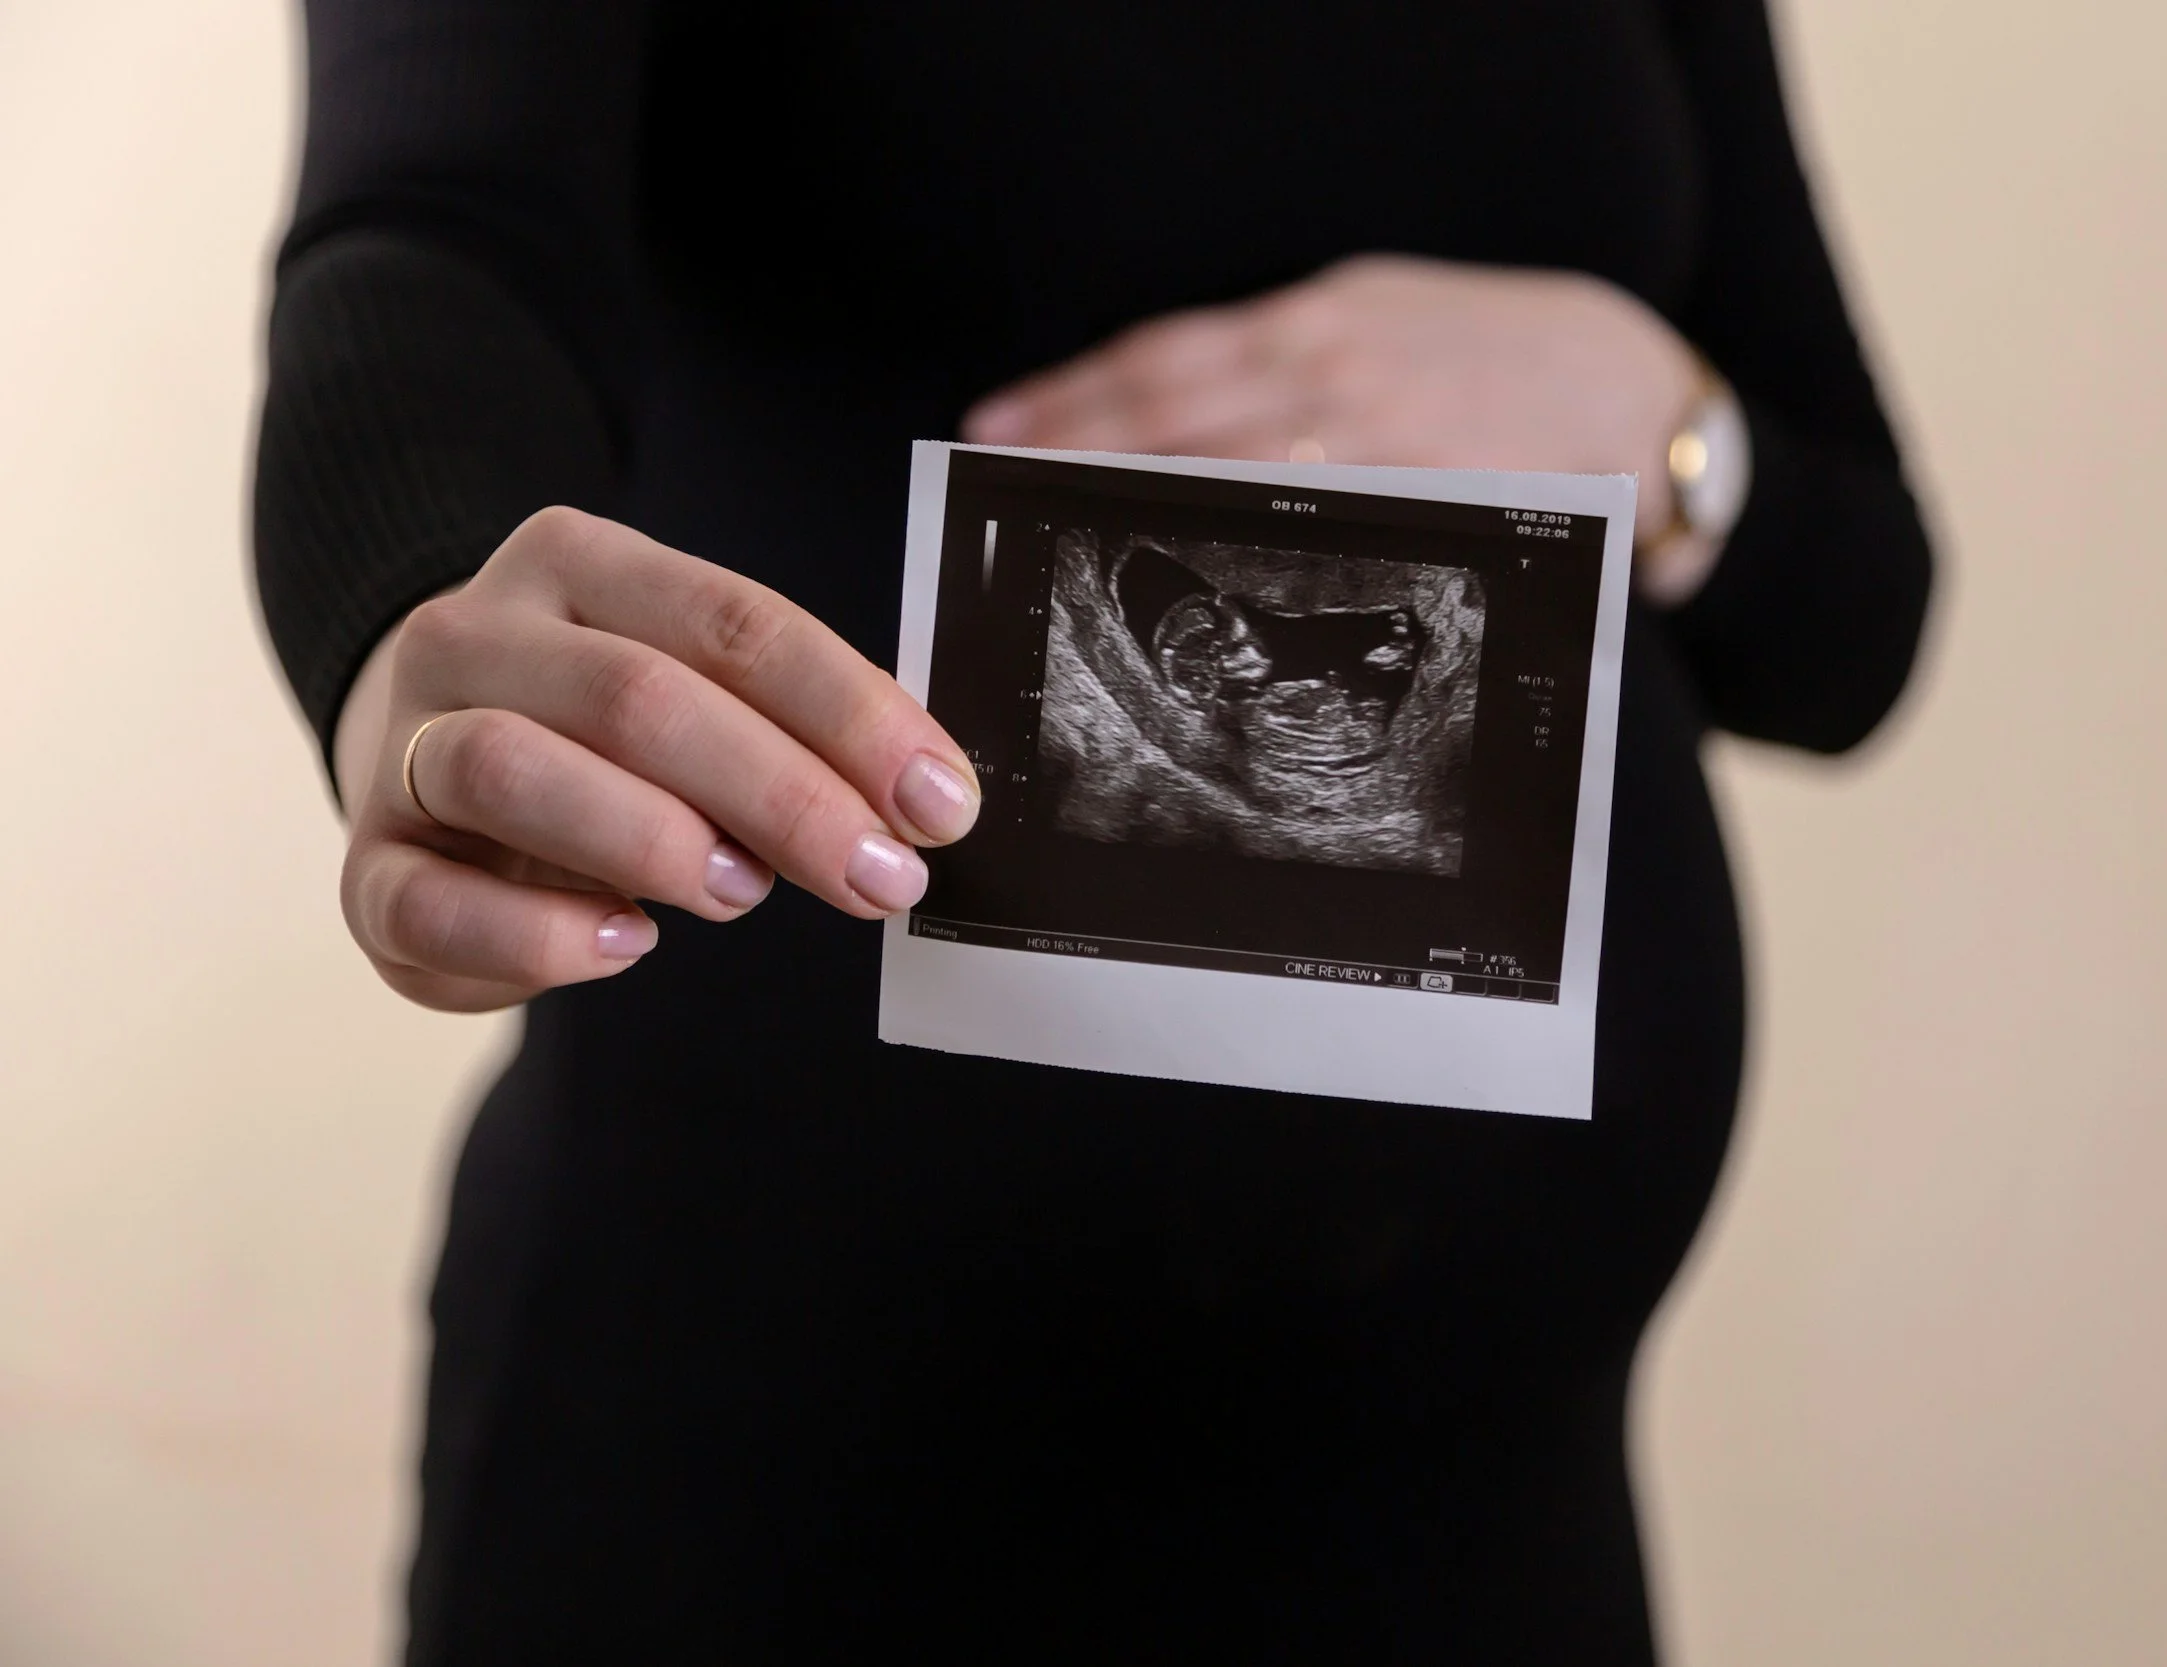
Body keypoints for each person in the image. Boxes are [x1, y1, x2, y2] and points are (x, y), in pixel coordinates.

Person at [254, 0, 1934, 1659]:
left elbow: (1855, 619)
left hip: (1485, 1505)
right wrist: (416, 619)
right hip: (789, 1468)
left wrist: (1667, 425)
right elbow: (431, 242)